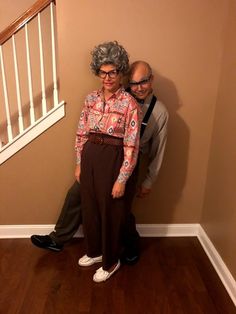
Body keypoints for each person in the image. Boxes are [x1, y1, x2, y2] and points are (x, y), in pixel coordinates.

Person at [31, 60, 168, 264]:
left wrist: (148, 181)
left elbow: (159, 151)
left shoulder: (159, 112)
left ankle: (130, 245)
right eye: (133, 83)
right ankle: (58, 239)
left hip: (129, 162)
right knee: (77, 195)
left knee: (119, 209)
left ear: (152, 80)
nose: (138, 88)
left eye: (143, 82)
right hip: (103, 159)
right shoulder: (118, 98)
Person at [76, 41, 140, 282]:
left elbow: (131, 145)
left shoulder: (129, 103)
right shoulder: (90, 99)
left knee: (111, 212)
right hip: (90, 156)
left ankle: (111, 261)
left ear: (120, 71)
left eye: (112, 71)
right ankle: (94, 251)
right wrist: (79, 163)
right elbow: (81, 132)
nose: (107, 77)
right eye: (103, 72)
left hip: (114, 159)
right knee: (90, 207)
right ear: (97, 72)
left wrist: (122, 178)